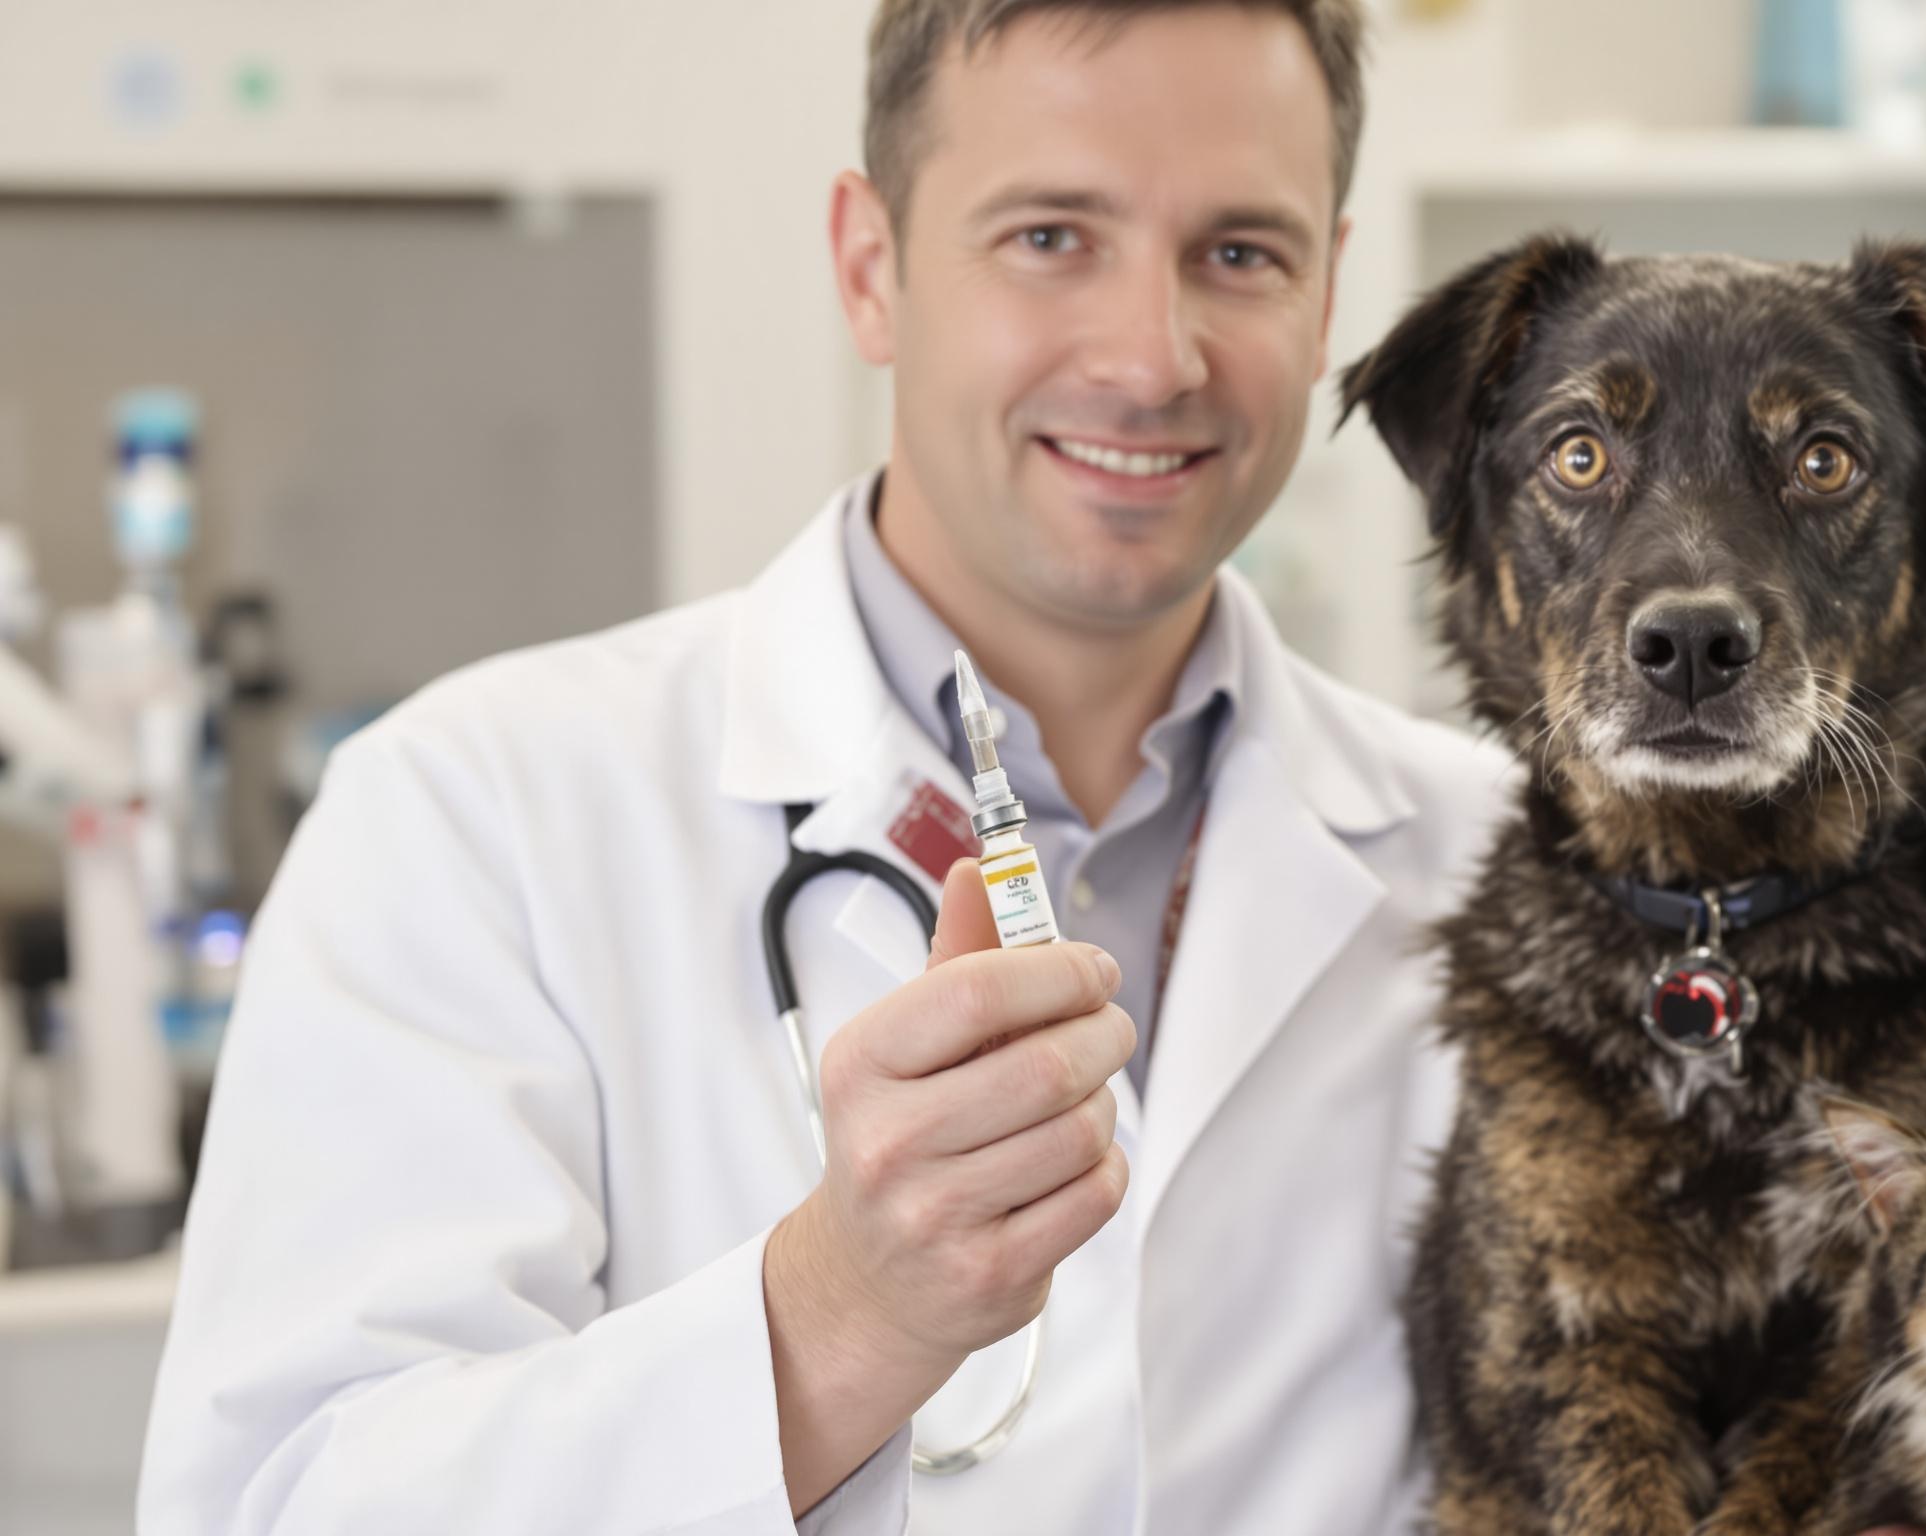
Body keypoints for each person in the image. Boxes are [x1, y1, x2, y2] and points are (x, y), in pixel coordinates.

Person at [138, 2, 1514, 1531]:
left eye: (1240, 254)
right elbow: (285, 1504)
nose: (1152, 356)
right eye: (1052, 236)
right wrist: (839, 1316)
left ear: (1327, 299)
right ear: (872, 267)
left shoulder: (1505, 864)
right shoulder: (475, 815)